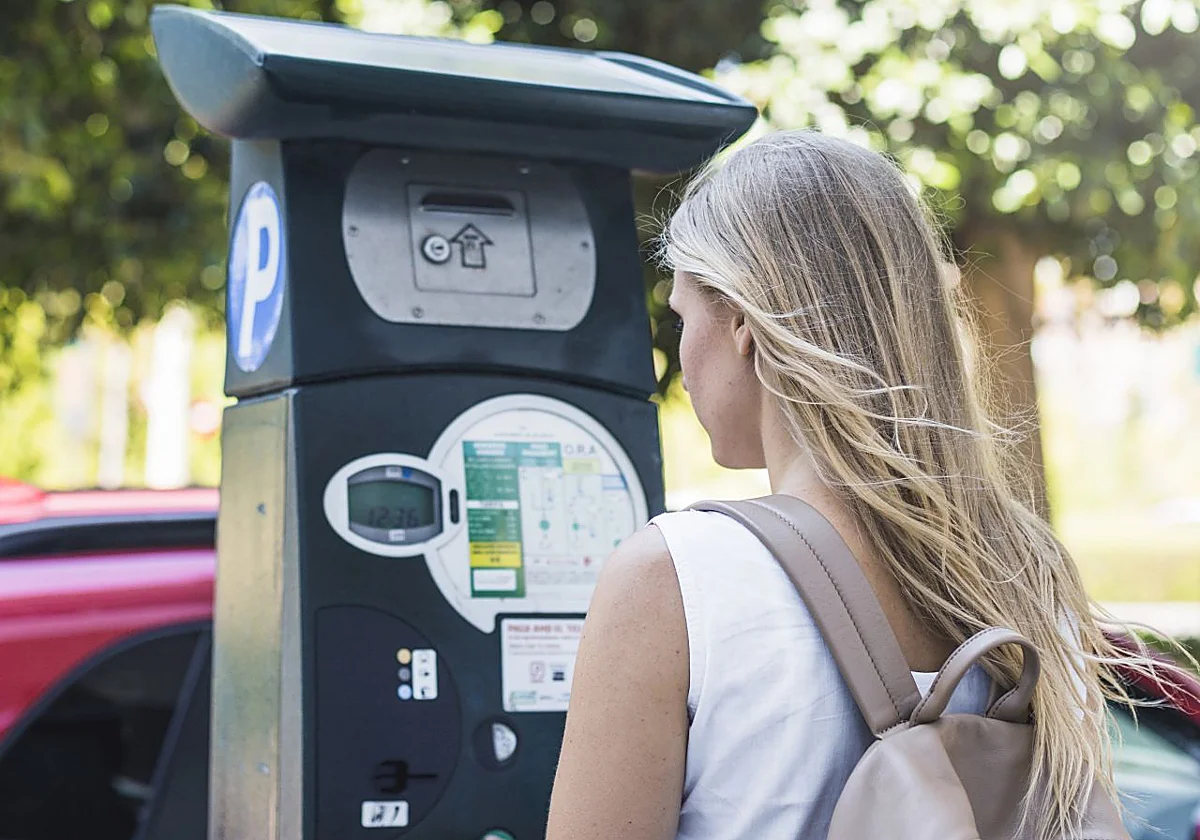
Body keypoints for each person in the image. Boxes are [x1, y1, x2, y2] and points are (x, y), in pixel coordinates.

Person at [544, 130, 1174, 840]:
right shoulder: (1026, 568)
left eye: (684, 316)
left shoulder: (674, 577)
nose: (683, 356)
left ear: (744, 324)